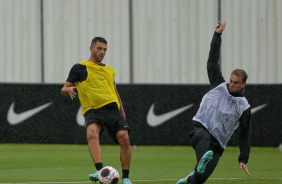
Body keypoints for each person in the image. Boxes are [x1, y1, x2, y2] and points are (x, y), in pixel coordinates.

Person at [177, 20, 251, 184]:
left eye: (235, 83)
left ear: (243, 84)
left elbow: (245, 132)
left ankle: (189, 179)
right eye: (231, 80)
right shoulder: (219, 83)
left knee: (199, 179)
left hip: (218, 144)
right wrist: (217, 35)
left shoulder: (244, 107)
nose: (231, 84)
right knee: (203, 139)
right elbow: (212, 60)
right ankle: (202, 161)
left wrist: (243, 158)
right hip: (200, 128)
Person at [61, 37, 132, 184]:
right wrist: (67, 89)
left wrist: (122, 110)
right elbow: (63, 88)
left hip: (112, 109)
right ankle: (99, 171)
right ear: (91, 48)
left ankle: (125, 178)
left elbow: (115, 91)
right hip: (93, 110)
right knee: (91, 133)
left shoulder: (109, 71)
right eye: (99, 48)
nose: (102, 52)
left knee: (124, 138)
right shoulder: (79, 67)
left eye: (105, 50)